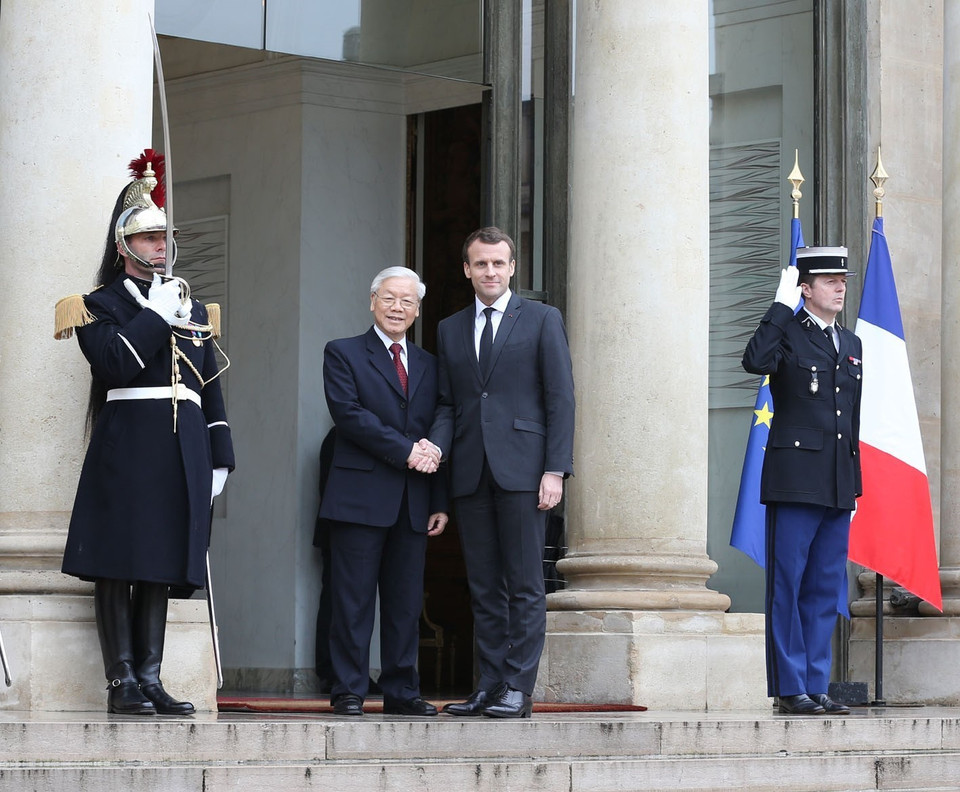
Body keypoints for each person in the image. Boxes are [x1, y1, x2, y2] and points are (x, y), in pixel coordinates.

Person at [54, 150, 234, 715]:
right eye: (149, 237)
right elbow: (116, 364)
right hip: (129, 444)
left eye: (164, 237)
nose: (160, 245)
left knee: (158, 559)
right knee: (117, 560)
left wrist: (221, 453)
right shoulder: (95, 306)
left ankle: (151, 677)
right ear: (123, 246)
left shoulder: (190, 304)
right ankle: (121, 682)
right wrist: (155, 315)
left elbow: (209, 385)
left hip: (184, 447)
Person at [429, 227, 575, 719]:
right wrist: (436, 451)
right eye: (480, 264)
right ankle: (489, 685)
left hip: (525, 472)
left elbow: (561, 398)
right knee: (485, 587)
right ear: (466, 269)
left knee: (525, 584)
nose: (490, 272)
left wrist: (555, 470)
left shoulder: (541, 319)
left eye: (498, 263)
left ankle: (518, 686)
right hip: (471, 473)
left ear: (512, 268)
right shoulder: (449, 328)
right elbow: (449, 405)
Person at [319, 266, 448, 717]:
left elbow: (442, 420)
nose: (398, 307)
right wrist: (408, 450)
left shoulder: (431, 364)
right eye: (390, 298)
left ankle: (402, 691)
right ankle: (349, 689)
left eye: (407, 301)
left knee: (404, 605)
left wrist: (439, 499)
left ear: (416, 310)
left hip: (414, 501)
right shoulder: (343, 353)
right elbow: (349, 416)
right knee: (352, 601)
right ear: (372, 300)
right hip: (359, 497)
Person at [742, 246, 862, 716]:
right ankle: (791, 687)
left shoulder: (850, 343)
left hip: (836, 479)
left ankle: (817, 682)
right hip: (794, 479)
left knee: (824, 586)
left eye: (843, 280)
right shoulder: (787, 333)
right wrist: (777, 307)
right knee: (788, 585)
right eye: (829, 280)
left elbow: (849, 417)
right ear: (805, 288)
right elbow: (755, 361)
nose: (839, 286)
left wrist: (852, 480)